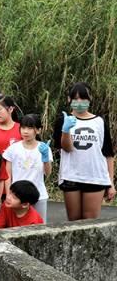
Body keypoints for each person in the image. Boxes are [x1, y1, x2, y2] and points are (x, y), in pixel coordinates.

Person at [53, 82, 116, 221]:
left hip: (95, 176)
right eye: (75, 98)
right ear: (69, 100)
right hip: (71, 176)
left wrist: (110, 183)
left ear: (89, 99)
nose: (79, 102)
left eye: (83, 98)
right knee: (74, 222)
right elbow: (67, 148)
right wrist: (65, 129)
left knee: (89, 222)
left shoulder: (99, 122)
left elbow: (108, 154)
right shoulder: (63, 120)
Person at [3, 114, 52, 220]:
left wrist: (45, 158)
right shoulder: (13, 148)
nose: (25, 131)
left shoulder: (44, 148)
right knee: (16, 227)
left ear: (38, 130)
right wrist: (8, 194)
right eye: (23, 128)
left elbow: (48, 173)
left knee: (39, 228)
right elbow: (7, 175)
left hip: (39, 195)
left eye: (30, 128)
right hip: (17, 197)